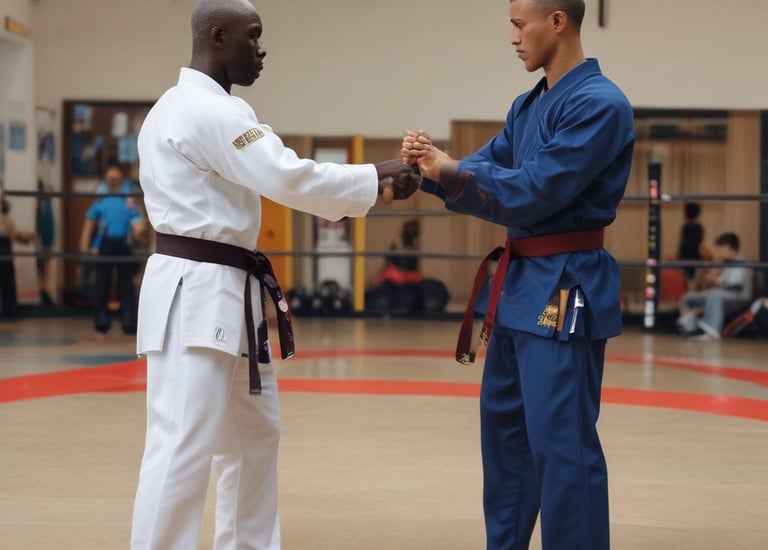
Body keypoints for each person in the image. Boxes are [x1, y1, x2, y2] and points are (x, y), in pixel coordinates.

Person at [129, 1, 420, 549]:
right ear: (217, 36)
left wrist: (372, 183)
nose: (262, 50)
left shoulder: (190, 106)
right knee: (181, 447)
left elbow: (280, 175)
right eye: (253, 37)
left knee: (253, 438)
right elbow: (284, 175)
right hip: (197, 291)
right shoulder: (203, 110)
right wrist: (375, 175)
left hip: (226, 292)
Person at [402, 1, 635, 548]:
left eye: (517, 23)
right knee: (505, 436)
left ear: (557, 21)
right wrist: (433, 167)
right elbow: (487, 166)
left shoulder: (601, 104)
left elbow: (534, 189)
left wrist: (449, 171)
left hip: (564, 285)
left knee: (561, 446)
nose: (512, 37)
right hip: (519, 286)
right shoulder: (528, 105)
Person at [79, 164, 146, 335]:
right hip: (105, 245)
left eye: (116, 179)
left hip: (123, 244)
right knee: (102, 283)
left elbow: (138, 224)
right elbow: (90, 223)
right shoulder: (100, 201)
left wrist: (140, 231)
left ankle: (129, 321)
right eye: (111, 179)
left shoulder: (128, 202)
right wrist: (85, 245)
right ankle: (101, 321)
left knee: (126, 283)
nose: (114, 182)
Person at [677, 232, 752, 341]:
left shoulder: (742, 262)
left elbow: (735, 285)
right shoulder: (724, 263)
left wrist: (716, 281)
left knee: (715, 294)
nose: (719, 251)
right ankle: (692, 328)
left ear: (729, 248)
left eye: (721, 248)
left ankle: (711, 331)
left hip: (739, 296)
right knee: (688, 297)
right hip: (720, 294)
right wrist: (715, 272)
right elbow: (708, 282)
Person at [0, 194, 35, 320]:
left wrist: (23, 236)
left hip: (4, 245)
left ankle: (10, 311)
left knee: (8, 279)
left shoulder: (5, 217)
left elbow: (12, 233)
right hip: (3, 244)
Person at [677, 202, 711, 282]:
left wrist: (679, 255)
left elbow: (683, 243)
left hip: (688, 256)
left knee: (688, 278)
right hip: (693, 256)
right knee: (689, 278)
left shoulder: (686, 227)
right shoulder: (698, 228)